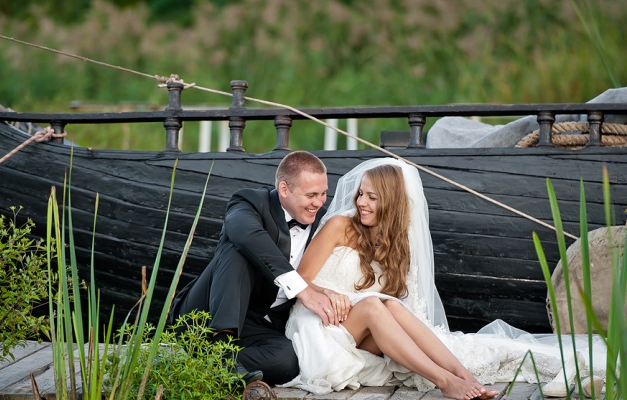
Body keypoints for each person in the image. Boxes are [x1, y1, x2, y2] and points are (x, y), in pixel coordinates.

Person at [279, 158, 608, 399]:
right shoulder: (340, 225)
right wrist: (328, 294)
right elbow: (299, 281)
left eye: (372, 197)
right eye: (361, 194)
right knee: (376, 306)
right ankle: (445, 381)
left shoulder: (395, 245)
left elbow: (397, 300)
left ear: (391, 203)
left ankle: (462, 374)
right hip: (318, 324)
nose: (361, 202)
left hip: (358, 330)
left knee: (389, 308)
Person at [169, 150, 340, 386]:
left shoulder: (323, 221)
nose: (319, 202)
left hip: (257, 322)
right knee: (238, 248)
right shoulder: (250, 201)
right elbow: (246, 233)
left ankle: (209, 364)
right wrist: (302, 290)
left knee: (287, 361)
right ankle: (220, 349)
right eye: (311, 195)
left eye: (323, 193)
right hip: (204, 314)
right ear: (284, 189)